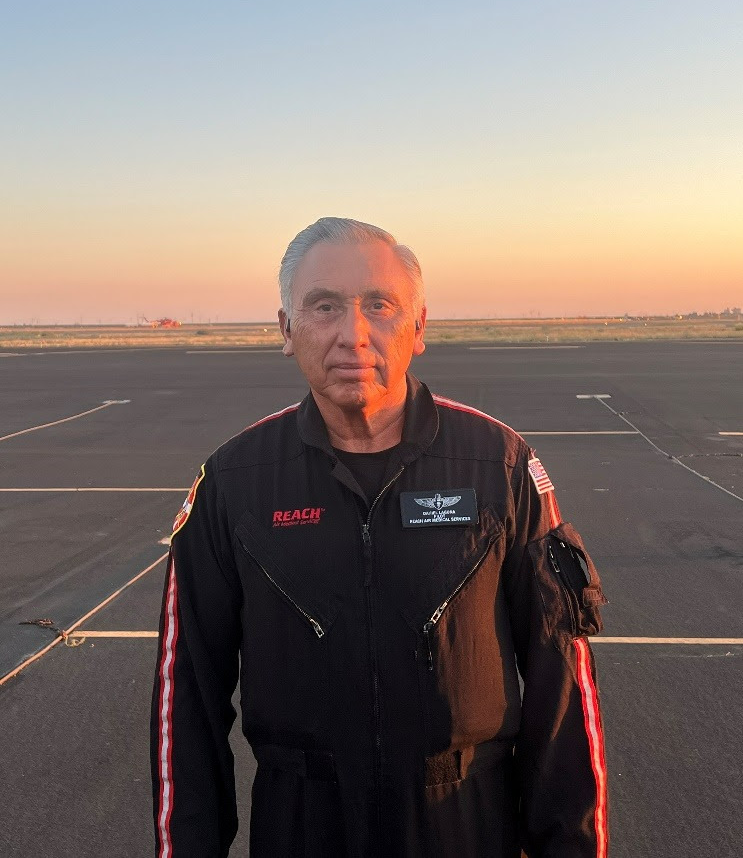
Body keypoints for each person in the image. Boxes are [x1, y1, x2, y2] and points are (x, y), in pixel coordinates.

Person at [151, 216, 609, 858]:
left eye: (380, 305)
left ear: (419, 326)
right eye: (324, 307)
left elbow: (562, 687)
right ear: (287, 330)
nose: (353, 335)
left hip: (469, 826)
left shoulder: (499, 465)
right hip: (302, 828)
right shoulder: (235, 483)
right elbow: (186, 704)